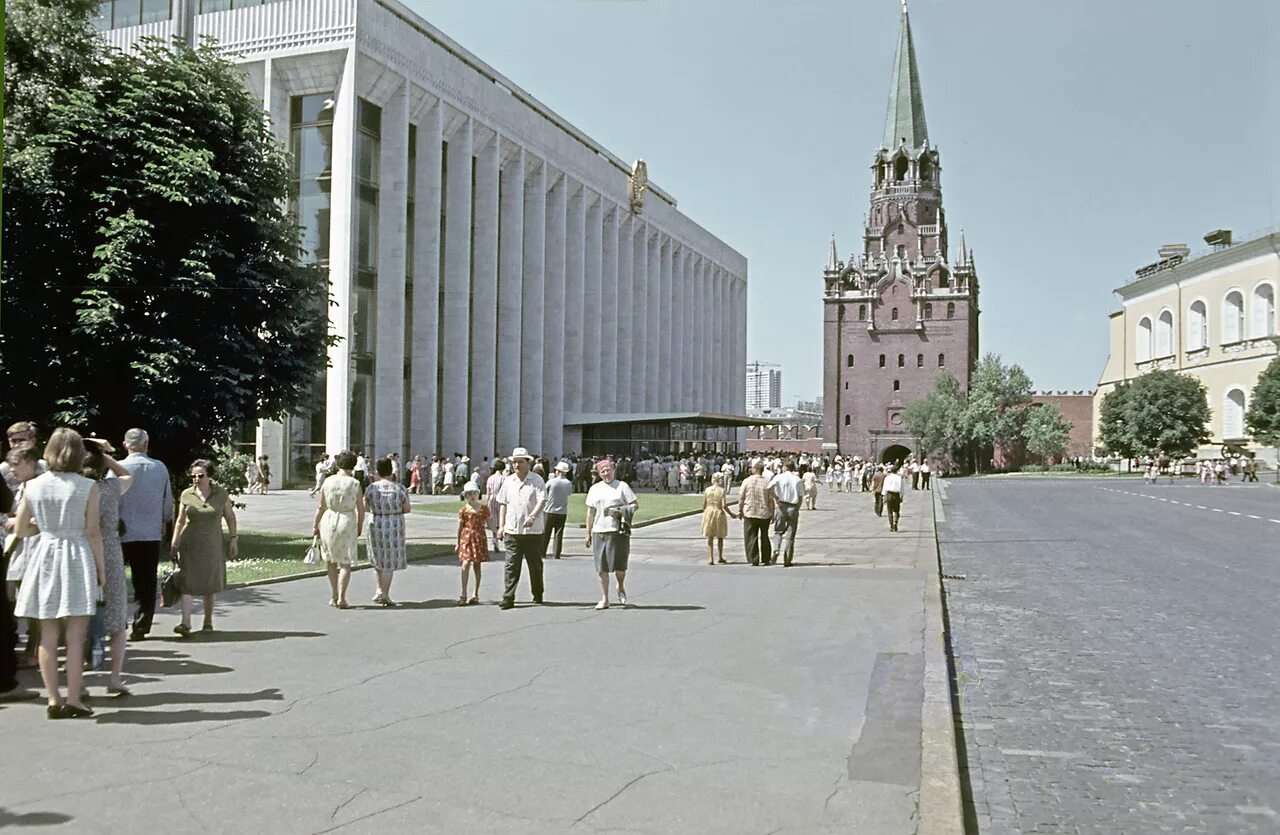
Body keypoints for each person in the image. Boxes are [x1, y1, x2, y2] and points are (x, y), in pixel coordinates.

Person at [13, 428, 106, 718]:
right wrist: (101, 570)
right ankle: (75, 698)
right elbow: (93, 532)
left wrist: (42, 529)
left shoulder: (34, 486)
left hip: (45, 555)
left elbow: (20, 529)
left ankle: (53, 700)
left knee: (47, 634)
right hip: (76, 554)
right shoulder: (87, 486)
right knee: (76, 636)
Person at [82, 439, 135, 694]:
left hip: (80, 551)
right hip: (110, 551)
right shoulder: (111, 488)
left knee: (78, 616)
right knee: (116, 615)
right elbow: (127, 476)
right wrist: (105, 455)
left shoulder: (77, 488)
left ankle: (77, 681)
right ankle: (114, 677)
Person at [117, 428, 174, 641]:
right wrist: (164, 520)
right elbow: (167, 499)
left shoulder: (118, 468)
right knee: (146, 582)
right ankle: (140, 626)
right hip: (149, 532)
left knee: (116, 578)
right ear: (146, 443)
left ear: (125, 445)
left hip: (121, 532)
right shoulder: (159, 468)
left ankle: (116, 623)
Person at [170, 459, 236, 635]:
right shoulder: (186, 495)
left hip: (212, 544)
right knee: (187, 582)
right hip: (190, 544)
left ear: (209, 476)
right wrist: (174, 542)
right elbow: (180, 521)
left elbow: (230, 517)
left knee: (209, 583)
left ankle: (208, 622)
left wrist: (233, 538)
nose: (196, 479)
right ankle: (185, 623)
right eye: (193, 476)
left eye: (200, 475)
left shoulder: (221, 494)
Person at [495, 447, 547, 610]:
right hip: (512, 530)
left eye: (520, 462)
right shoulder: (508, 481)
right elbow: (503, 503)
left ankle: (537, 593)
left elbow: (542, 500)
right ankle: (508, 597)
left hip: (533, 532)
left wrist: (532, 516)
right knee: (511, 565)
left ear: (528, 462)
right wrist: (501, 526)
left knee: (535, 565)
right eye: (514, 462)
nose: (516, 465)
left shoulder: (537, 480)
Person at [584, 458, 638, 609]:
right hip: (599, 530)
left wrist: (621, 511)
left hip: (617, 531)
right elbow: (590, 512)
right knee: (602, 567)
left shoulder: (622, 486)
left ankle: (620, 585)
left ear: (613, 470)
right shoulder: (595, 489)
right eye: (603, 471)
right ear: (599, 473)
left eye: (608, 470)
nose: (606, 473)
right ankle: (604, 598)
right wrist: (588, 533)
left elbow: (634, 504)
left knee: (619, 567)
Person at [314, 451, 364, 609]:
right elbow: (361, 509)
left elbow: (320, 506)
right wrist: (360, 526)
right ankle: (342, 597)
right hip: (347, 519)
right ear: (353, 465)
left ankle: (334, 594)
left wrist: (315, 525)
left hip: (329, 519)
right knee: (345, 561)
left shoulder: (328, 481)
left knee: (331, 559)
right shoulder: (354, 483)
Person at [363, 456, 409, 607]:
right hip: (394, 523)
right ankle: (385, 594)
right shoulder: (399, 488)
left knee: (378, 557)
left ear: (377, 471)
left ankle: (379, 590)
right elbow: (407, 508)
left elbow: (365, 506)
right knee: (389, 560)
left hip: (376, 521)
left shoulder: (372, 487)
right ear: (391, 470)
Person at [456, 485, 489, 605]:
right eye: (469, 494)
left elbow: (490, 523)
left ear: (478, 494)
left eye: (474, 493)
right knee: (465, 563)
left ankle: (475, 594)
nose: (472, 496)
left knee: (477, 565)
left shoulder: (484, 509)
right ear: (465, 496)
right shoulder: (463, 510)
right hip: (466, 538)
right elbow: (460, 527)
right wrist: (457, 542)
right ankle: (463, 594)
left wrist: (498, 533)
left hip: (479, 537)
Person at [737, 462, 775, 566]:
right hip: (764, 512)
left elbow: (741, 498)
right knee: (764, 536)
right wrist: (772, 513)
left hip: (750, 512)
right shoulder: (767, 482)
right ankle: (766, 558)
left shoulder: (747, 481)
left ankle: (754, 559)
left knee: (751, 536)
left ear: (754, 469)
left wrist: (740, 510)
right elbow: (771, 500)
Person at [769, 461, 803, 568]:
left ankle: (776, 550)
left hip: (781, 506)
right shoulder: (797, 479)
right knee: (790, 535)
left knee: (778, 531)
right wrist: (797, 508)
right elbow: (801, 497)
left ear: (785, 467)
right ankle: (787, 559)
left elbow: (769, 488)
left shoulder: (779, 477)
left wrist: (776, 498)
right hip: (792, 506)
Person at [700, 471, 735, 565]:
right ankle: (720, 556)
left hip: (709, 511)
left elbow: (704, 504)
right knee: (720, 536)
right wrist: (731, 514)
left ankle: (711, 558)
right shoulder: (721, 490)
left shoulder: (707, 490)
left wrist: (705, 511)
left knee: (710, 536)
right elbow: (724, 505)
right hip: (718, 512)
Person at [543, 461, 573, 560]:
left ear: (558, 471)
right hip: (562, 511)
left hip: (549, 510)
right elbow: (569, 494)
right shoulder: (568, 483)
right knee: (559, 533)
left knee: (546, 533)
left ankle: (542, 552)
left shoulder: (551, 481)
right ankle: (556, 553)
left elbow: (545, 491)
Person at [485, 459, 507, 553]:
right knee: (502, 519)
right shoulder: (504, 478)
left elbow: (488, 492)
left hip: (492, 499)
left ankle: (495, 539)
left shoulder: (490, 478)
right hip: (500, 499)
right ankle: (501, 536)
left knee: (493, 520)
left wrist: (486, 503)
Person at [882, 464, 904, 533]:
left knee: (889, 511)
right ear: (897, 471)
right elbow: (902, 488)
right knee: (897, 511)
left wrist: (884, 496)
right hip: (896, 494)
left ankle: (891, 526)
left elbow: (884, 487)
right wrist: (902, 496)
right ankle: (895, 523)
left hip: (889, 494)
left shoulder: (887, 478)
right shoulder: (899, 478)